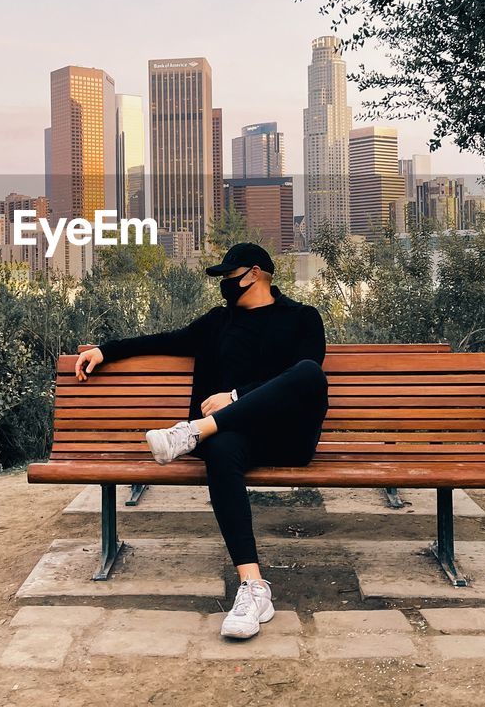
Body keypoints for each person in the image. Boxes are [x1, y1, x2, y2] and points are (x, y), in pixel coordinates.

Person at [73, 242, 329, 640]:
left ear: (256, 273)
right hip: (231, 439)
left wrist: (234, 397)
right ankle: (254, 587)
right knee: (223, 450)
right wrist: (104, 350)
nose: (225, 284)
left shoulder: (302, 318)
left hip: (286, 436)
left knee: (309, 371)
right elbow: (162, 340)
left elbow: (306, 377)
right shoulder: (217, 323)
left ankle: (191, 432)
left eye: (230, 276)